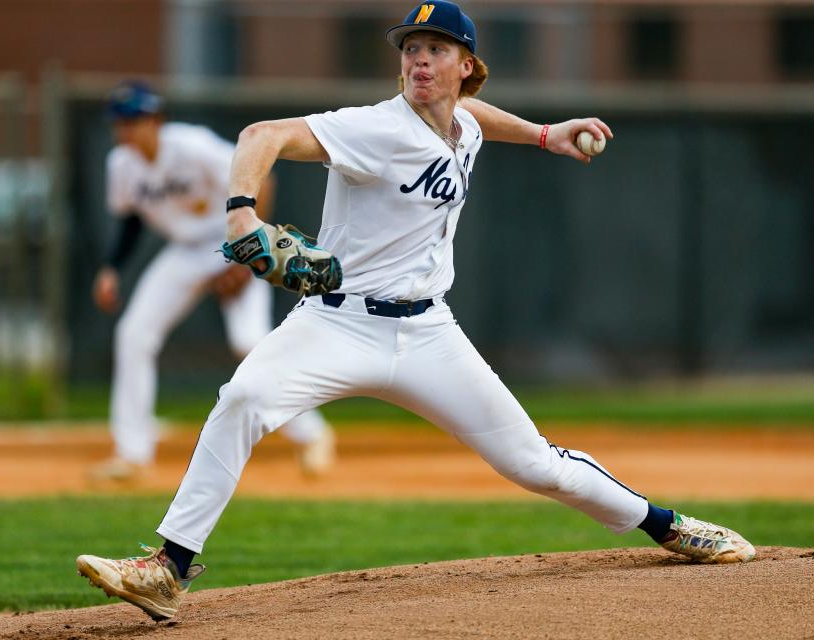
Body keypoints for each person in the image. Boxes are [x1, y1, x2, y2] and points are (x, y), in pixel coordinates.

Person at [77, 2, 754, 621]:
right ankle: (169, 569)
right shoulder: (374, 128)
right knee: (242, 397)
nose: (418, 60)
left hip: (429, 332)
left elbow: (473, 121)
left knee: (533, 464)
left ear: (466, 68)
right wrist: (241, 211)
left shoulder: (460, 122)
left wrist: (546, 134)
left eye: (435, 49)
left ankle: (667, 525)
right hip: (336, 323)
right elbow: (262, 134)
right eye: (410, 49)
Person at [89, 81, 336, 482]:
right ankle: (132, 454)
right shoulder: (121, 164)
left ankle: (314, 436)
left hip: (232, 239)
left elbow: (264, 180)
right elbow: (131, 219)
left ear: (155, 120)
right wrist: (111, 268)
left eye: (133, 120)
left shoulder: (190, 145)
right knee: (134, 334)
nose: (125, 130)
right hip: (187, 251)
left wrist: (245, 256)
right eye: (120, 123)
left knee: (248, 342)